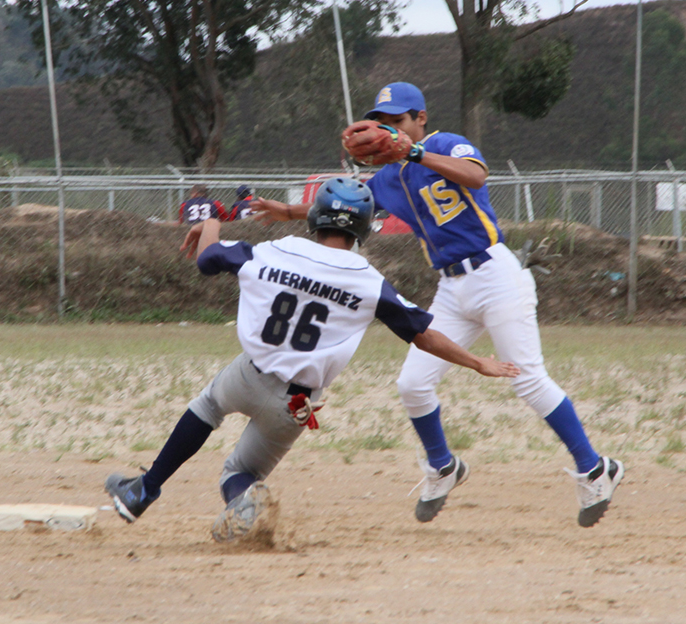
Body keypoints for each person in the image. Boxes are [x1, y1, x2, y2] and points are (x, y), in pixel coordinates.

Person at [252, 82, 624, 527]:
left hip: (495, 274)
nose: (391, 130)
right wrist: (287, 212)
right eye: (384, 123)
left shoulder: (443, 144)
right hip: (451, 287)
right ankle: (443, 466)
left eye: (399, 121)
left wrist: (413, 151)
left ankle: (595, 468)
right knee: (412, 384)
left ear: (421, 119)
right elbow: (350, 208)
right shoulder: (387, 180)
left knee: (526, 378)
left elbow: (476, 176)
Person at [105, 177, 518, 542]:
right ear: (362, 228)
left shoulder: (276, 251)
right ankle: (240, 501)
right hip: (297, 404)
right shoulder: (367, 281)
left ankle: (145, 489)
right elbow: (423, 335)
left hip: (250, 374)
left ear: (315, 216)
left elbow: (209, 260)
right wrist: (477, 362)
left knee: (210, 406)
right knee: (240, 472)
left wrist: (212, 223)